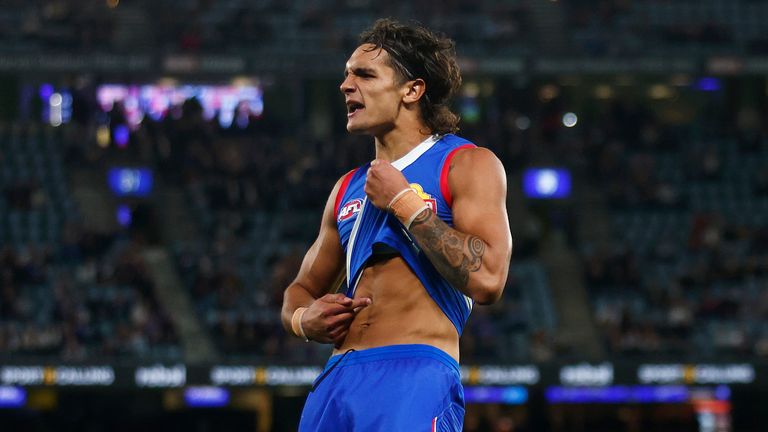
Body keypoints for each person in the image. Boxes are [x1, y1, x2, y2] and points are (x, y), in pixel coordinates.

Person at [281, 18, 512, 431]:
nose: (346, 85)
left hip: (413, 375)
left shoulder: (466, 164)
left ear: (412, 90)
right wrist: (303, 320)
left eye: (364, 74)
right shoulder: (346, 188)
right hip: (337, 379)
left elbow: (489, 279)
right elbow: (298, 291)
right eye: (346, 75)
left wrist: (404, 203)